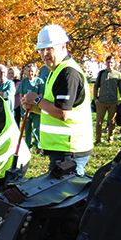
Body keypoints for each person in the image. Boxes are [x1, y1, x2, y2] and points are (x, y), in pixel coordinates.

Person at [21, 24, 93, 176]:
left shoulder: (68, 73)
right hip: (62, 149)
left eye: (49, 48)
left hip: (70, 150)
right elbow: (51, 110)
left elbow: (62, 113)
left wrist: (37, 99)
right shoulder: (55, 71)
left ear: (63, 46)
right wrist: (33, 107)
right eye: (41, 49)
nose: (44, 53)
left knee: (69, 196)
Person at [93, 55, 121, 144]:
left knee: (112, 122)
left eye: (111, 62)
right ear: (105, 63)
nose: (109, 64)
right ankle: (98, 140)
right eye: (108, 62)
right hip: (101, 102)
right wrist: (95, 99)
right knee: (99, 122)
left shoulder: (118, 74)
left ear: (114, 63)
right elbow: (96, 86)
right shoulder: (101, 73)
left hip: (113, 102)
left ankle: (110, 139)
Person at [17, 64, 44, 149]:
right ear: (25, 72)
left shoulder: (39, 81)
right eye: (28, 71)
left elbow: (41, 95)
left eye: (32, 71)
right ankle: (28, 146)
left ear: (35, 72)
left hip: (36, 108)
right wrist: (24, 105)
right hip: (25, 108)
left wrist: (33, 103)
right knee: (27, 128)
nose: (30, 73)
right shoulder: (23, 82)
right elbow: (20, 95)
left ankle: (38, 146)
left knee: (36, 127)